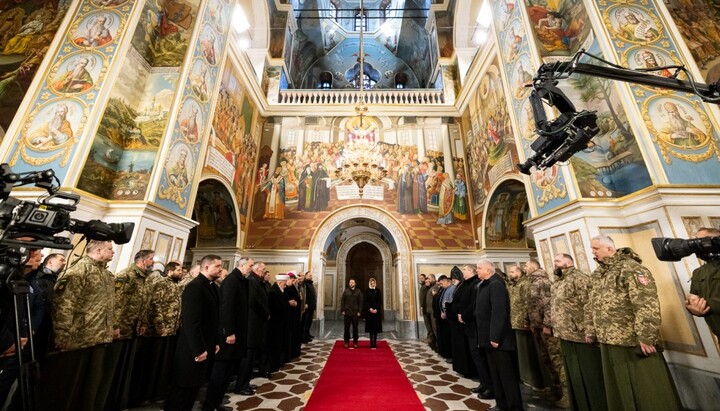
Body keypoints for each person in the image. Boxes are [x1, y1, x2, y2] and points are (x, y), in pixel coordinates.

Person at [589, 235, 682, 411]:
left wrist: (646, 336)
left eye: (596, 249)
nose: (593, 253)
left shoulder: (631, 269)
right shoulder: (599, 274)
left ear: (609, 249)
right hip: (609, 339)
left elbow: (646, 304)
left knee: (647, 390)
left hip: (631, 340)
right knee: (621, 391)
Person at [38, 240, 116, 411]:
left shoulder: (106, 274)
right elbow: (64, 305)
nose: (113, 252)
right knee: (65, 389)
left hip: (97, 337)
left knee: (88, 389)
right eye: (110, 249)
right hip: (77, 339)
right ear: (98, 250)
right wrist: (63, 335)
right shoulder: (79, 270)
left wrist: (111, 327)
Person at [165, 255, 222, 411]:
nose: (221, 269)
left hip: (205, 345)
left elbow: (214, 318)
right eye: (217, 266)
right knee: (183, 390)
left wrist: (215, 342)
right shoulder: (195, 287)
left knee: (193, 388)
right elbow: (191, 322)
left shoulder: (212, 286)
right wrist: (198, 349)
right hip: (191, 349)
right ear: (206, 267)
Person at [550, 253, 606, 411]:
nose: (555, 263)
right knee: (573, 373)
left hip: (580, 334)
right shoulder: (558, 282)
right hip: (564, 333)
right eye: (554, 261)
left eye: (558, 261)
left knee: (589, 373)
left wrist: (590, 330)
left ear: (568, 262)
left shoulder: (579, 278)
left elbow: (589, 304)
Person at [105, 250, 154, 411]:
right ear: (143, 260)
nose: (153, 261)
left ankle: (121, 399)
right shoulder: (126, 275)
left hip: (134, 329)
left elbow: (144, 303)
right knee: (113, 366)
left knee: (127, 367)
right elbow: (116, 302)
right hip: (121, 329)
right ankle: (108, 401)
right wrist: (115, 325)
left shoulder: (145, 278)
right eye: (151, 259)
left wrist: (143, 322)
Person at [128, 261, 182, 405]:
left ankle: (158, 391)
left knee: (163, 364)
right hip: (159, 331)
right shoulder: (162, 283)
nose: (181, 272)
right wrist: (160, 325)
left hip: (170, 329)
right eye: (178, 270)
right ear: (170, 271)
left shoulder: (175, 285)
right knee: (152, 363)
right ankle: (145, 393)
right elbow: (156, 305)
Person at [203, 258, 250, 411]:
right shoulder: (231, 281)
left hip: (235, 333)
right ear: (242, 266)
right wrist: (228, 331)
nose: (251, 268)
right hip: (228, 335)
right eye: (250, 265)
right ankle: (210, 405)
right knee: (220, 371)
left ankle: (216, 403)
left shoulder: (240, 280)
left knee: (227, 372)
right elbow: (226, 307)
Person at [475, 260, 522, 411]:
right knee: (496, 374)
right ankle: (502, 404)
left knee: (506, 375)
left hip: (498, 339)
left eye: (479, 268)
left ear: (488, 270)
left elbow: (499, 312)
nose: (477, 271)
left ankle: (513, 406)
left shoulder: (496, 284)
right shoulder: (487, 284)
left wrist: (495, 336)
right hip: (488, 338)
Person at [525, 258, 568, 407]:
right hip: (537, 326)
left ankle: (566, 394)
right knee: (547, 360)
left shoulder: (542, 282)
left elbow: (549, 304)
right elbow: (532, 304)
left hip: (546, 328)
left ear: (533, 267)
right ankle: (555, 389)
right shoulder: (532, 282)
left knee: (556, 359)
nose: (524, 268)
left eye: (526, 265)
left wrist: (547, 324)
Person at [507, 264, 546, 391]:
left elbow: (526, 303)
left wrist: (526, 320)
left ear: (519, 272)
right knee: (523, 353)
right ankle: (526, 378)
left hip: (525, 323)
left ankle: (536, 381)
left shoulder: (525, 284)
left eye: (512, 272)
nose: (510, 274)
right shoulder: (514, 285)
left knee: (530, 352)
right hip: (516, 322)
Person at [235, 261, 268, 394]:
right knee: (247, 357)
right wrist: (266, 313)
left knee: (251, 356)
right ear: (257, 270)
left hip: (256, 324)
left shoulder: (255, 280)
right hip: (252, 324)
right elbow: (255, 301)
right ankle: (241, 385)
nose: (265, 272)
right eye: (263, 270)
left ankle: (246, 383)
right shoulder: (252, 281)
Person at [686, 227, 720, 337]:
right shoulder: (698, 272)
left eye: (700, 242)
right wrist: (693, 309)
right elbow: (692, 300)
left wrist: (705, 303)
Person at [341, 278, 363, 349]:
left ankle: (355, 342)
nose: (351, 283)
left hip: (355, 313)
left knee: (355, 328)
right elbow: (342, 301)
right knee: (346, 328)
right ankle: (346, 342)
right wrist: (342, 310)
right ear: (349, 283)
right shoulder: (346, 291)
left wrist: (359, 311)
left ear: (355, 283)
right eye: (350, 282)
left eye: (353, 282)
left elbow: (360, 302)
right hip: (347, 312)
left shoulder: (358, 291)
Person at [364, 277, 383, 349]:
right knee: (370, 328)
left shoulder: (378, 291)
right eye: (371, 283)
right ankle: (371, 343)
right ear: (370, 283)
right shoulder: (367, 291)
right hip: (369, 312)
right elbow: (366, 301)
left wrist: (376, 309)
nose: (372, 284)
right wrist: (370, 308)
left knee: (375, 328)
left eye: (373, 283)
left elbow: (379, 301)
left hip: (376, 312)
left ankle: (375, 342)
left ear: (375, 283)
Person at [301, 271, 316, 343]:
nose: (311, 277)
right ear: (305, 276)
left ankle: (307, 334)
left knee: (309, 321)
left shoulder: (310, 284)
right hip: (307, 306)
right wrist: (305, 303)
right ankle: (304, 336)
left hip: (311, 306)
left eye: (311, 275)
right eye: (309, 275)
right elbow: (305, 295)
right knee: (305, 322)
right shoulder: (305, 284)